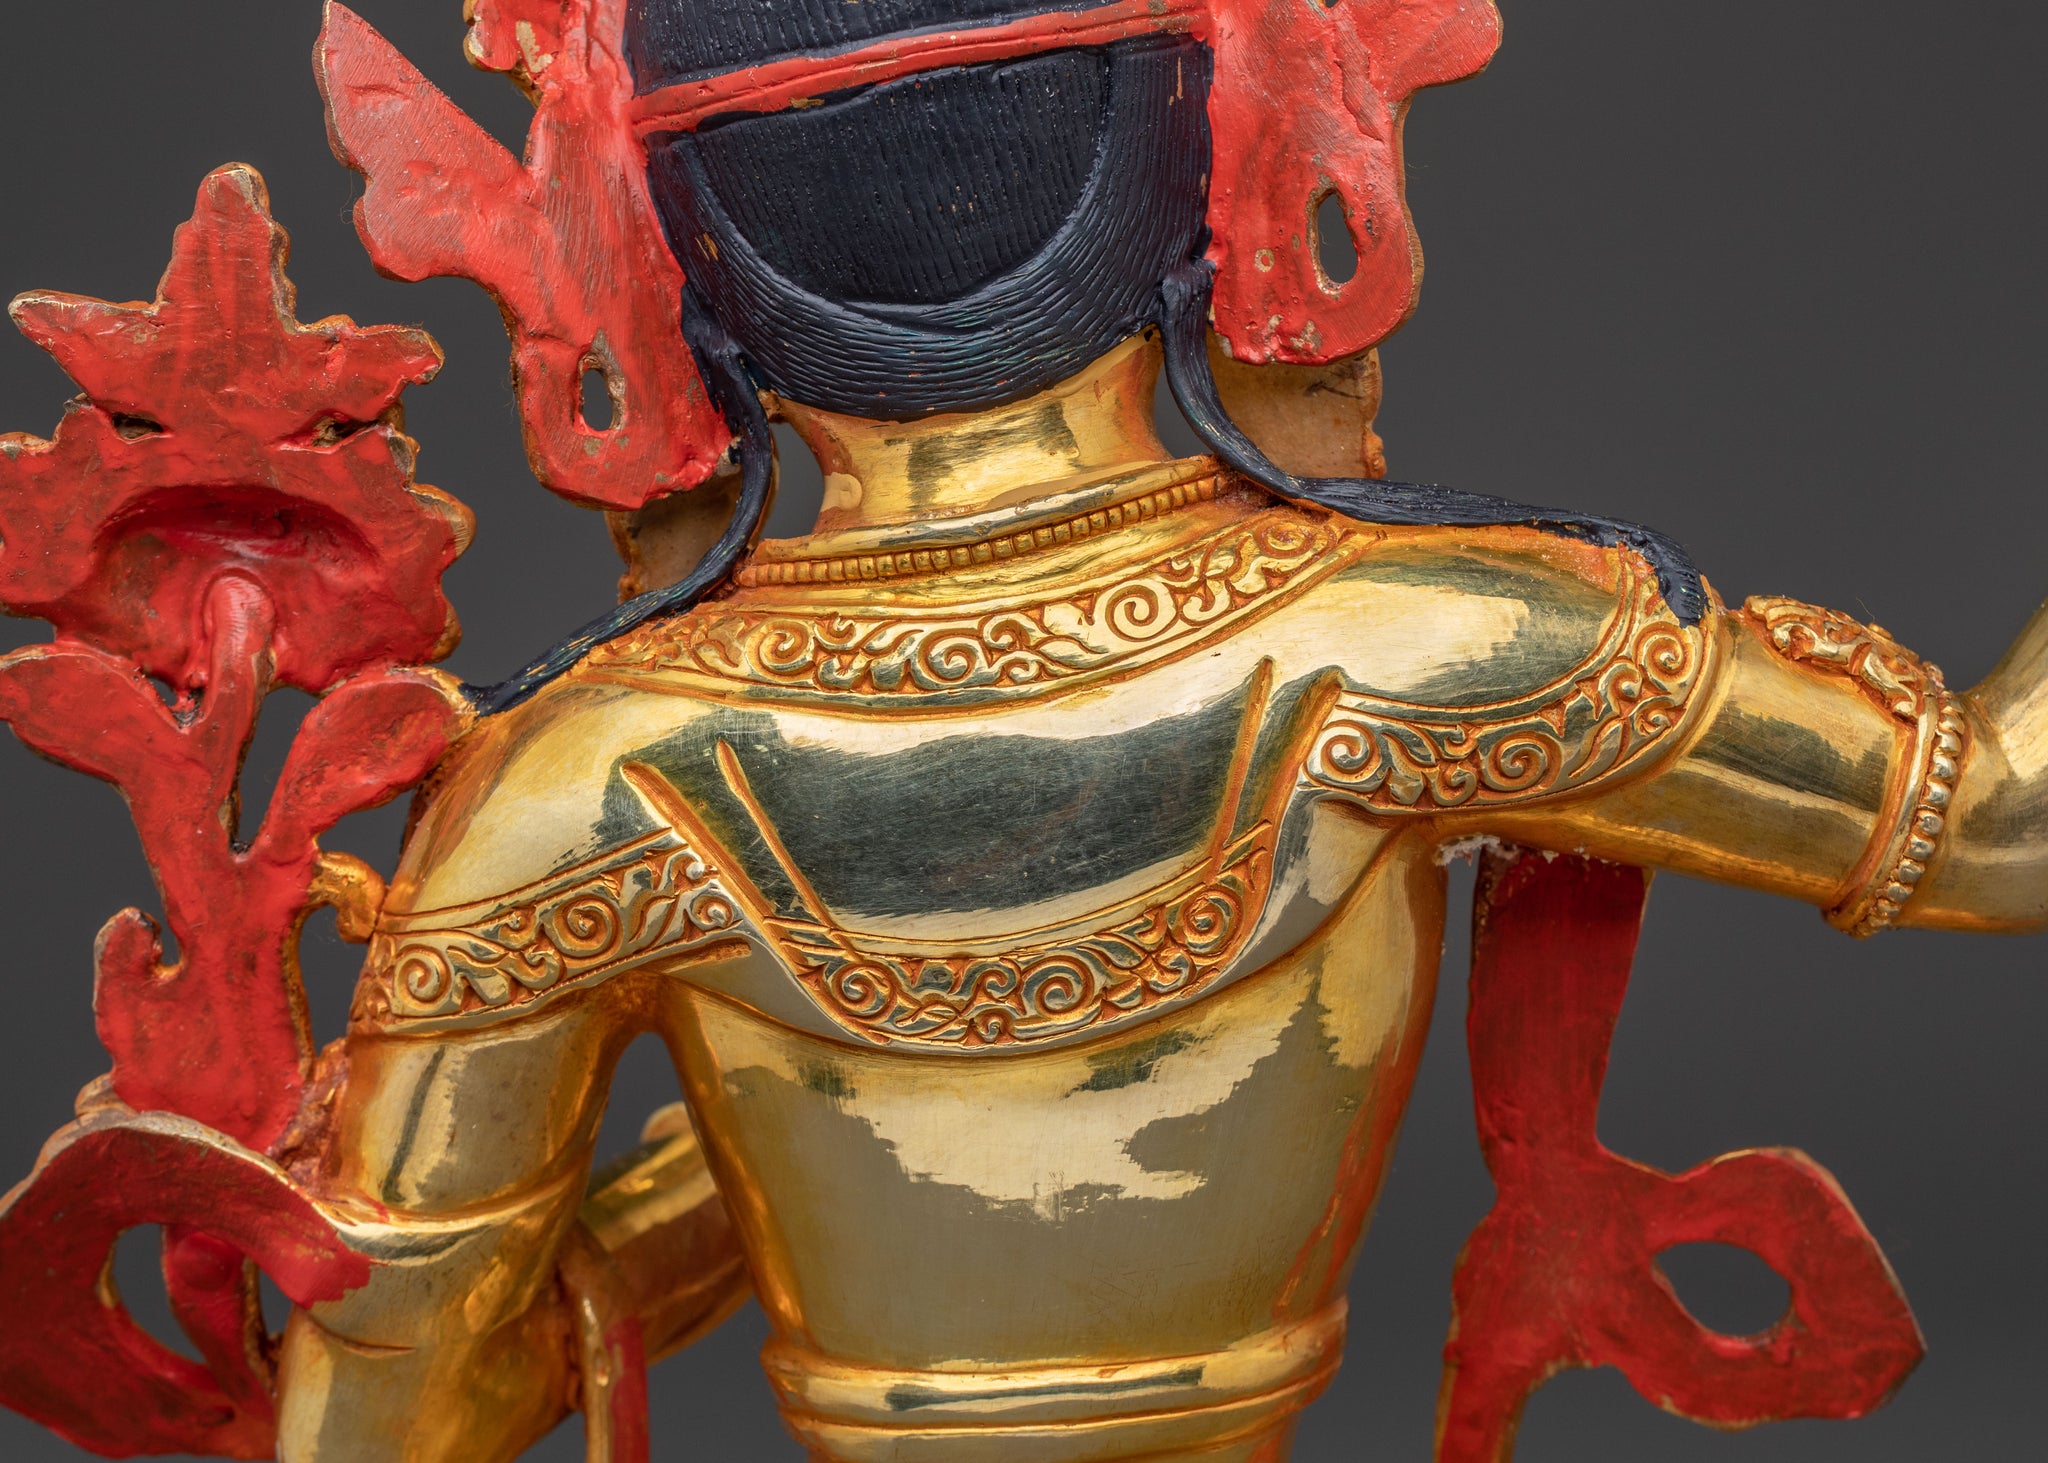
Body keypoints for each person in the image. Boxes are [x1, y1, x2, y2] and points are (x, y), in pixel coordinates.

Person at [279, 3, 2048, 1459]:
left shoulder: (579, 787)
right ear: (1215, 145)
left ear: (655, 245)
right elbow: (2002, 826)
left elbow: (401, 1387)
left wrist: (683, 1208)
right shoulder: (1440, 649)